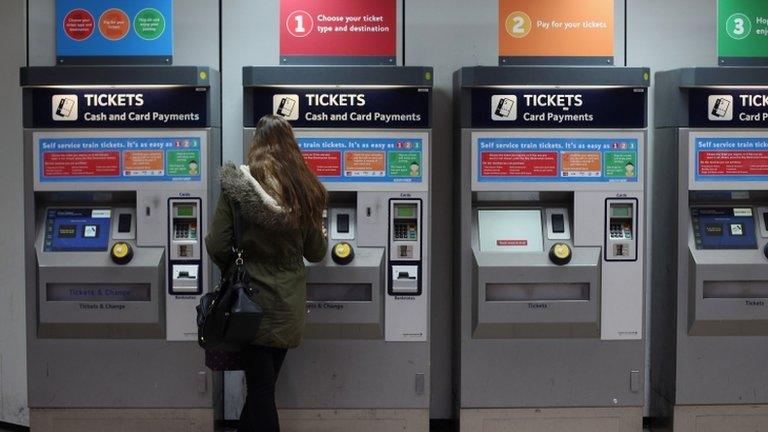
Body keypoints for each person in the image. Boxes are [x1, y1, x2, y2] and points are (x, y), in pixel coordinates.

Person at [205, 115, 328, 432]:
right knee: (263, 388)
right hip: (287, 305)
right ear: (292, 146)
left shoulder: (237, 188)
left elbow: (217, 243)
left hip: (248, 304)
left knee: (260, 390)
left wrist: (235, 267)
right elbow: (315, 251)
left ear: (255, 144)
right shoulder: (305, 190)